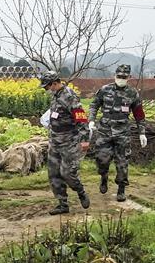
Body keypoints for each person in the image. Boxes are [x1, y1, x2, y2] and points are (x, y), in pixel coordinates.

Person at [88, 64, 147, 202]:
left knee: (122, 162)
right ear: (115, 76)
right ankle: (104, 177)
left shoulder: (132, 93)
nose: (121, 79)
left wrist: (142, 132)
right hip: (104, 131)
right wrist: (91, 120)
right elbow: (94, 105)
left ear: (129, 78)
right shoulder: (104, 90)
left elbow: (139, 114)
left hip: (122, 133)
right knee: (101, 160)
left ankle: (121, 189)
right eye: (119, 76)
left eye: (124, 77)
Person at [39, 70, 90, 215]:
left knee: (67, 173)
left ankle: (81, 192)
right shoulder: (56, 96)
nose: (47, 89)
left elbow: (81, 118)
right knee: (54, 173)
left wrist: (84, 139)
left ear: (55, 83)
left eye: (48, 86)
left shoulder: (69, 96)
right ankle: (62, 204)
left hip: (69, 142)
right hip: (55, 141)